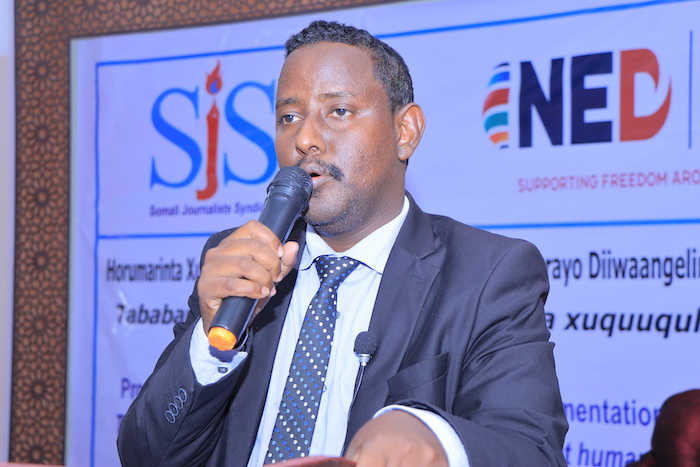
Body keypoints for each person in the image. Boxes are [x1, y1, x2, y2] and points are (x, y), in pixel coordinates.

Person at [117, 20, 568, 466]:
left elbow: (532, 452)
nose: (305, 139)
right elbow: (145, 456)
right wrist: (208, 345)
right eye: (288, 117)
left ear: (405, 131)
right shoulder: (241, 262)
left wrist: (435, 438)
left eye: (338, 111)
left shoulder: (488, 274)